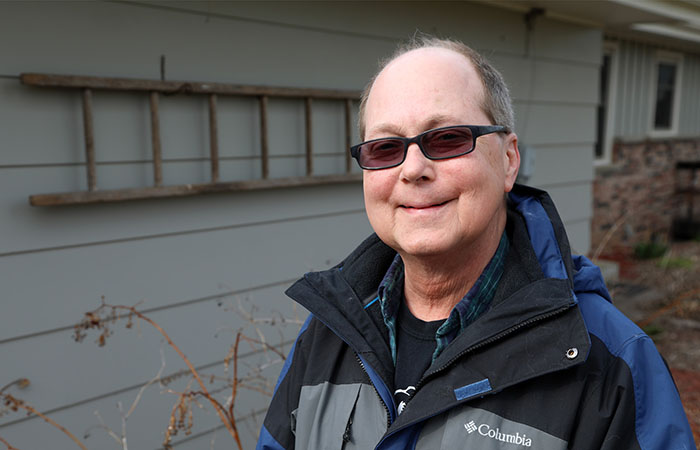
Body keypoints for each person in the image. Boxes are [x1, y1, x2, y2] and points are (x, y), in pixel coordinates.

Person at [256, 36, 696, 450]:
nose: (412, 169)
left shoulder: (608, 360)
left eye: (447, 138)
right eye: (385, 148)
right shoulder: (328, 334)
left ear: (508, 161)